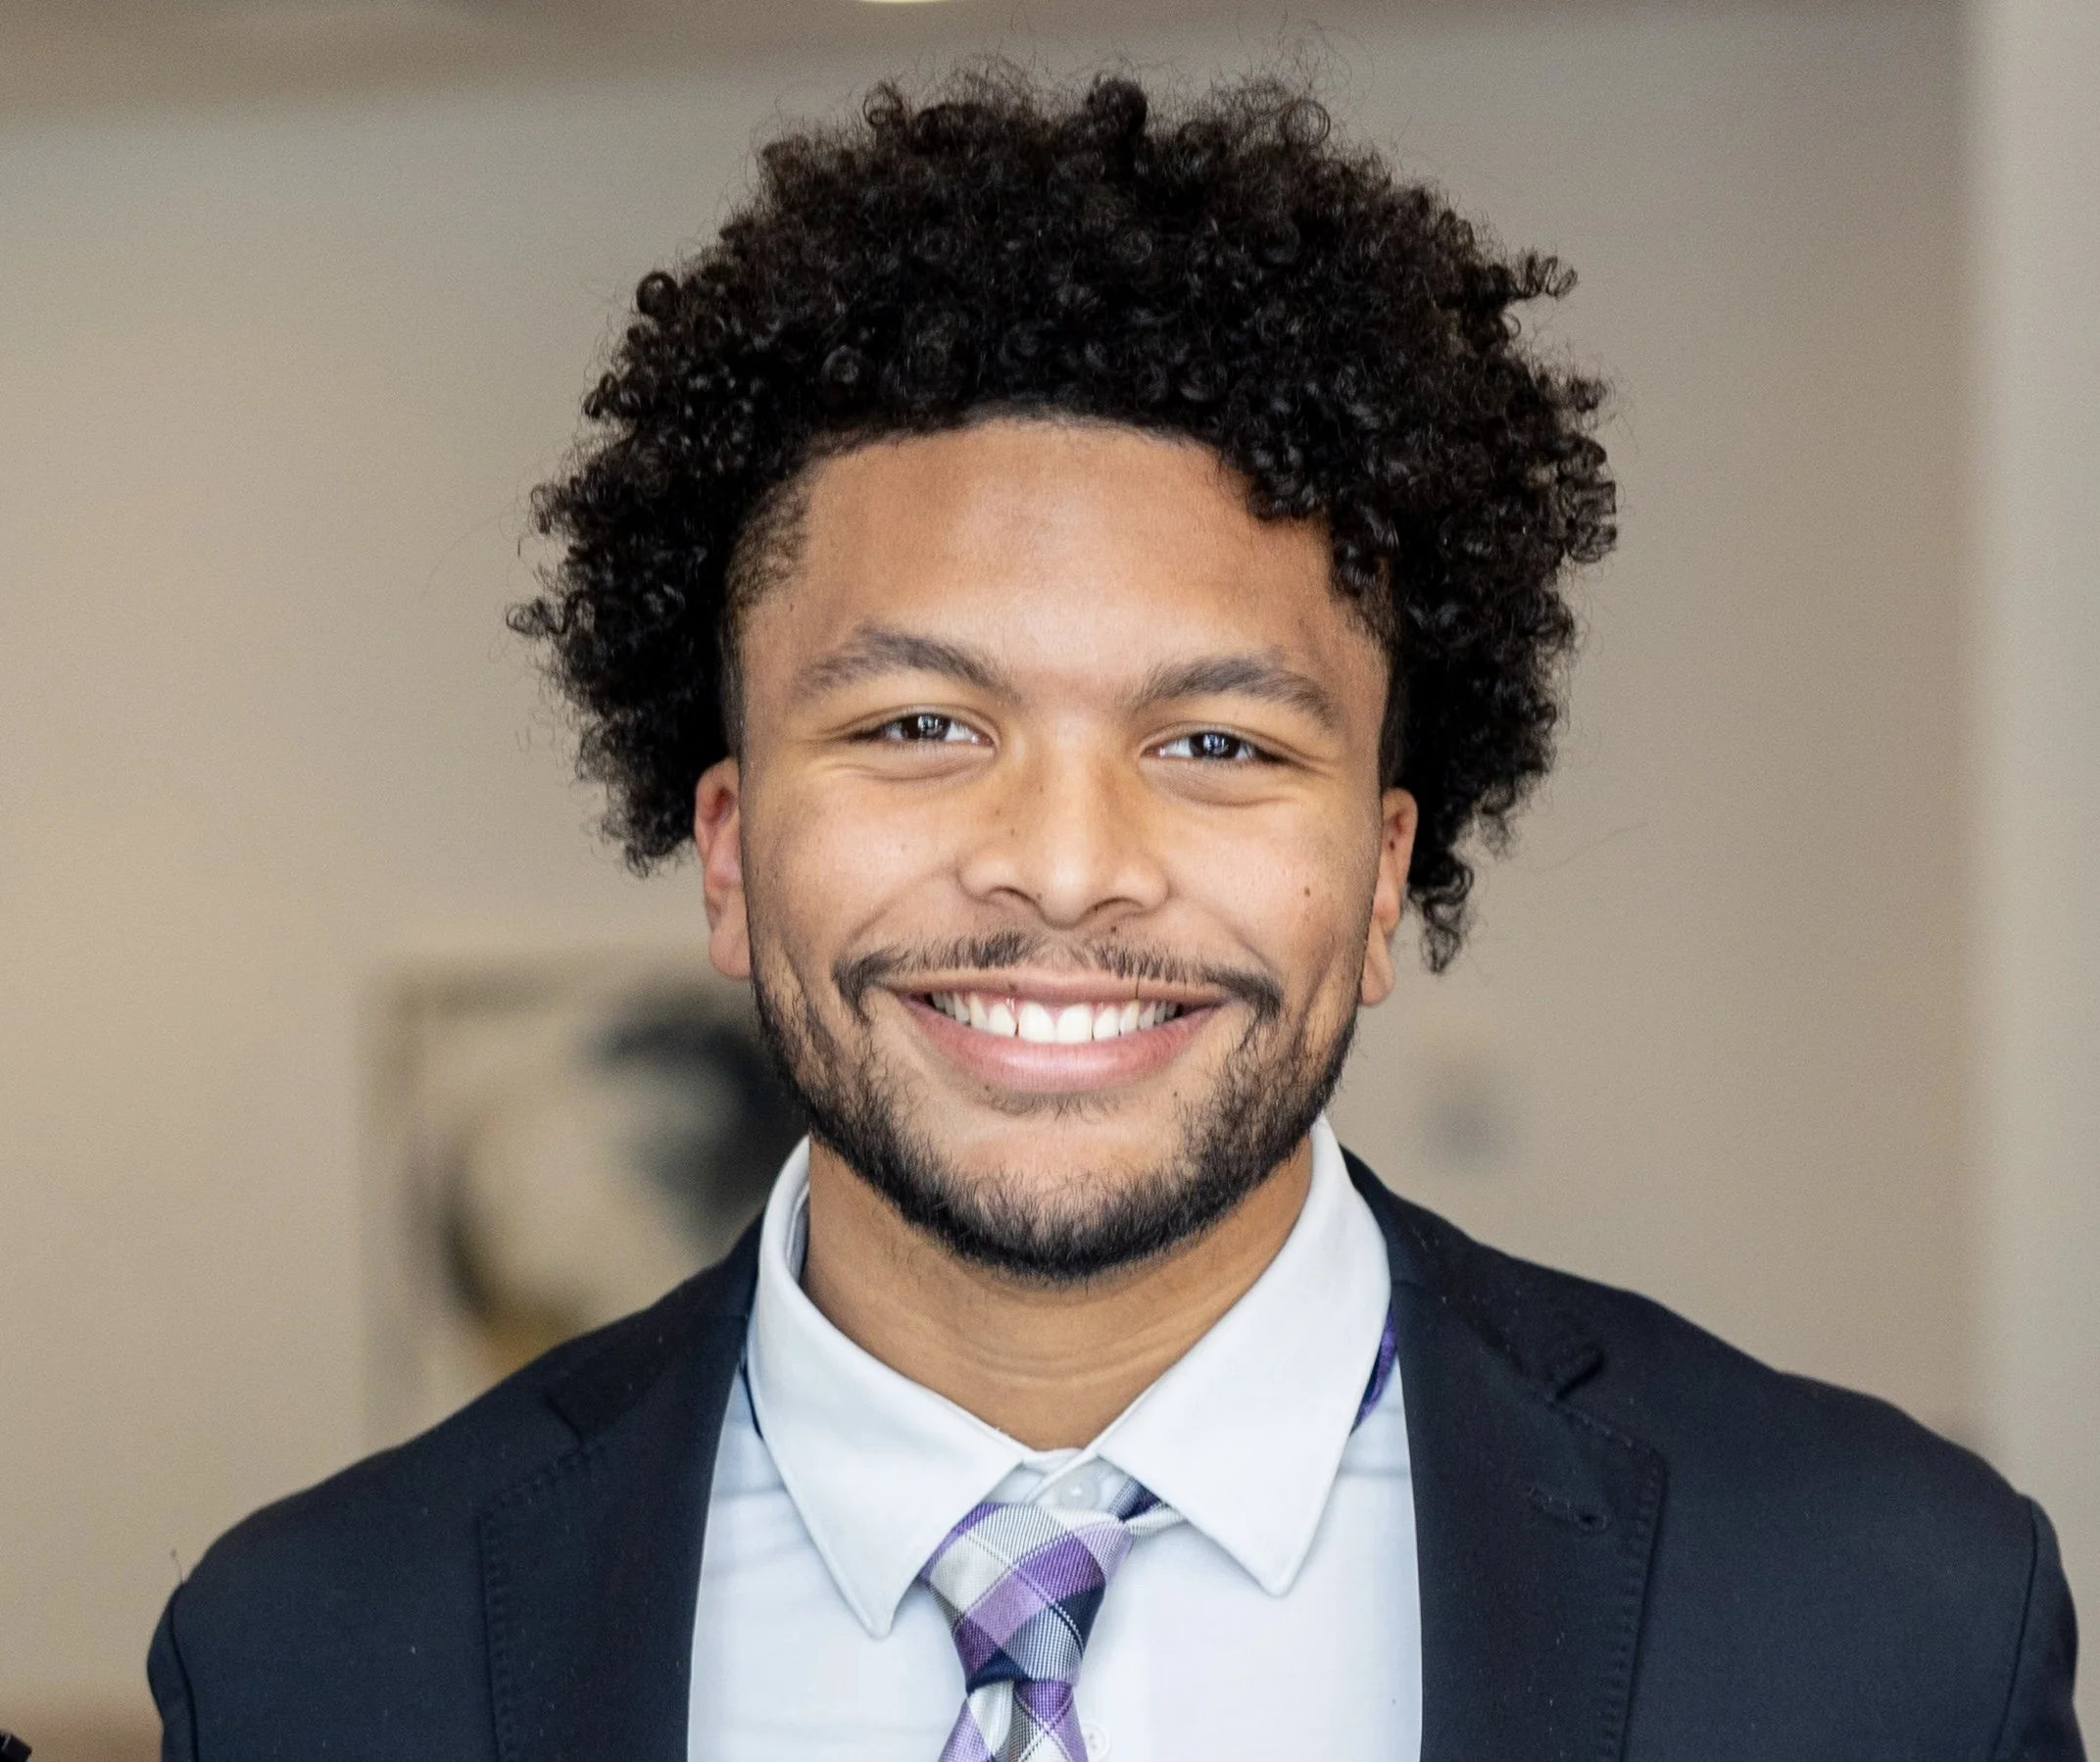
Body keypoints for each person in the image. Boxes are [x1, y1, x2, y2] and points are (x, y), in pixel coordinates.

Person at [147, 67, 2081, 1762]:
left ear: (1387, 872)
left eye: (1221, 741)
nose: (1065, 866)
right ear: (728, 851)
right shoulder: (310, 1654)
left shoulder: (1881, 1611)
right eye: (922, 722)